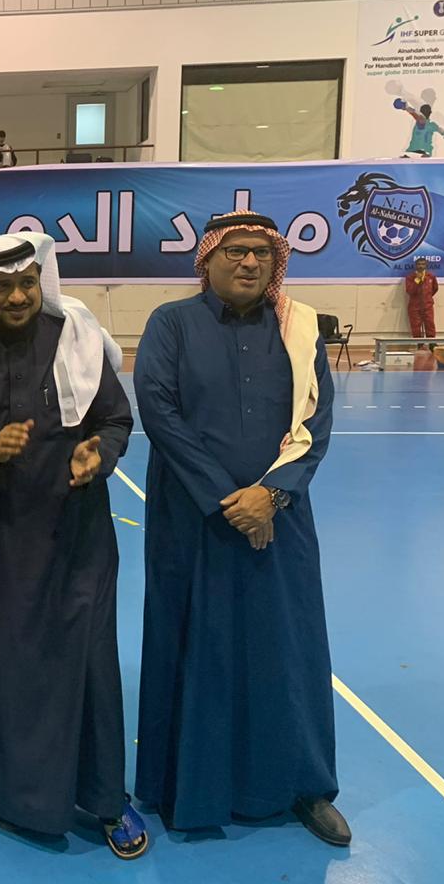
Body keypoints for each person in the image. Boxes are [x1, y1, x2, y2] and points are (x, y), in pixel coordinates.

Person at [0, 232, 146, 860]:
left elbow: (115, 417)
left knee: (89, 662)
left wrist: (101, 453)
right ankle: (3, 795)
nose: (17, 297)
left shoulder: (76, 337)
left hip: (77, 534)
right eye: (1, 288)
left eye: (26, 284)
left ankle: (105, 799)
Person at [134, 210, 348, 846]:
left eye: (261, 252)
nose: (250, 262)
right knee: (196, 644)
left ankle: (303, 785)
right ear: (208, 260)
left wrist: (271, 495)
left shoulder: (299, 330)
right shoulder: (171, 323)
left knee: (287, 646)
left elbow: (316, 421)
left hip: (281, 516)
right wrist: (228, 499)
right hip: (191, 517)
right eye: (236, 251)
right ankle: (188, 788)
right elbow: (159, 411)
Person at [404, 256, 438, 348]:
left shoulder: (431, 276)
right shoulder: (410, 277)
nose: (421, 266)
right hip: (414, 306)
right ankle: (419, 344)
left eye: (423, 264)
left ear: (426, 265)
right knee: (415, 326)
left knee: (430, 324)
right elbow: (410, 291)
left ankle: (432, 344)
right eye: (419, 264)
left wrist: (427, 298)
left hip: (427, 306)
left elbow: (435, 289)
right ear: (416, 265)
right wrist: (417, 280)